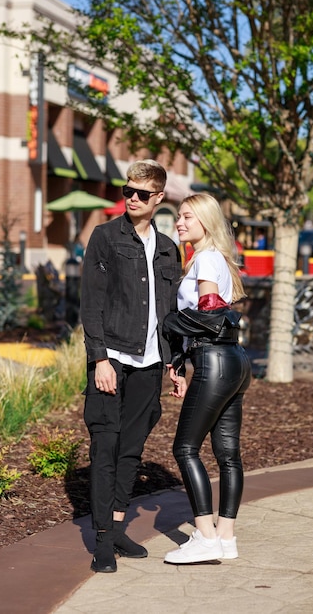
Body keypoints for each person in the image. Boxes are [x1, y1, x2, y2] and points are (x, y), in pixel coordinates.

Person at [80, 159, 182, 573]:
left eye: (142, 194)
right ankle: (103, 540)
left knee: (130, 451)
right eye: (128, 191)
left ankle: (119, 526)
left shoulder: (167, 248)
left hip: (152, 362)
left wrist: (175, 363)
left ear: (159, 197)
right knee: (105, 446)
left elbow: (170, 312)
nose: (133, 199)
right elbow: (92, 301)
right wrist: (100, 358)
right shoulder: (105, 237)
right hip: (113, 359)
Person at [163, 192, 252, 564]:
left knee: (184, 448)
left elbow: (209, 313)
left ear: (205, 222)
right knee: (228, 455)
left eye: (186, 217)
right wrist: (181, 362)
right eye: (179, 217)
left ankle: (205, 535)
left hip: (214, 360)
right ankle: (226, 537)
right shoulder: (218, 259)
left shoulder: (207, 259)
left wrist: (166, 324)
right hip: (235, 362)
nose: (179, 222)